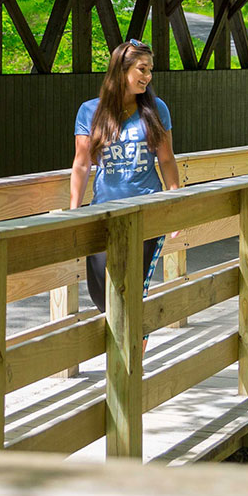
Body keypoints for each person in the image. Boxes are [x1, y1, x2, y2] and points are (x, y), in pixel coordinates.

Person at [71, 39, 182, 314]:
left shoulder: (157, 109)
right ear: (121, 70)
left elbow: (166, 160)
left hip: (147, 211)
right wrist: (72, 213)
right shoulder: (90, 111)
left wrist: (176, 204)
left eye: (150, 70)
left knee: (133, 293)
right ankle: (123, 350)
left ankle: (132, 356)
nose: (148, 76)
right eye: (142, 69)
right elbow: (82, 164)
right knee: (100, 295)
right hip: (104, 213)